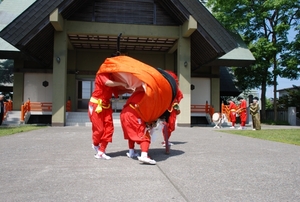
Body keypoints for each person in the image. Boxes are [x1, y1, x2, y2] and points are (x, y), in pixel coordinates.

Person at [89, 72, 128, 160]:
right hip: (96, 104)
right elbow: (107, 82)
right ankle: (95, 144)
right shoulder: (101, 74)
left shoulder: (113, 78)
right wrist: (122, 83)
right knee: (99, 130)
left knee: (109, 129)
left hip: (106, 106)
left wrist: (130, 89)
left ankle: (101, 151)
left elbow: (117, 91)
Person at [120, 89, 156, 165]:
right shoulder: (148, 94)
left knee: (131, 133)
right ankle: (144, 155)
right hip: (133, 114)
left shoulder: (138, 92)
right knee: (144, 134)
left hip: (124, 113)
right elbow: (148, 111)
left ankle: (131, 152)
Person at [160, 71, 183, 147]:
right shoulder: (169, 88)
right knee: (170, 125)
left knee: (169, 125)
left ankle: (166, 140)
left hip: (167, 108)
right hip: (168, 109)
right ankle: (165, 140)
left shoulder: (171, 88)